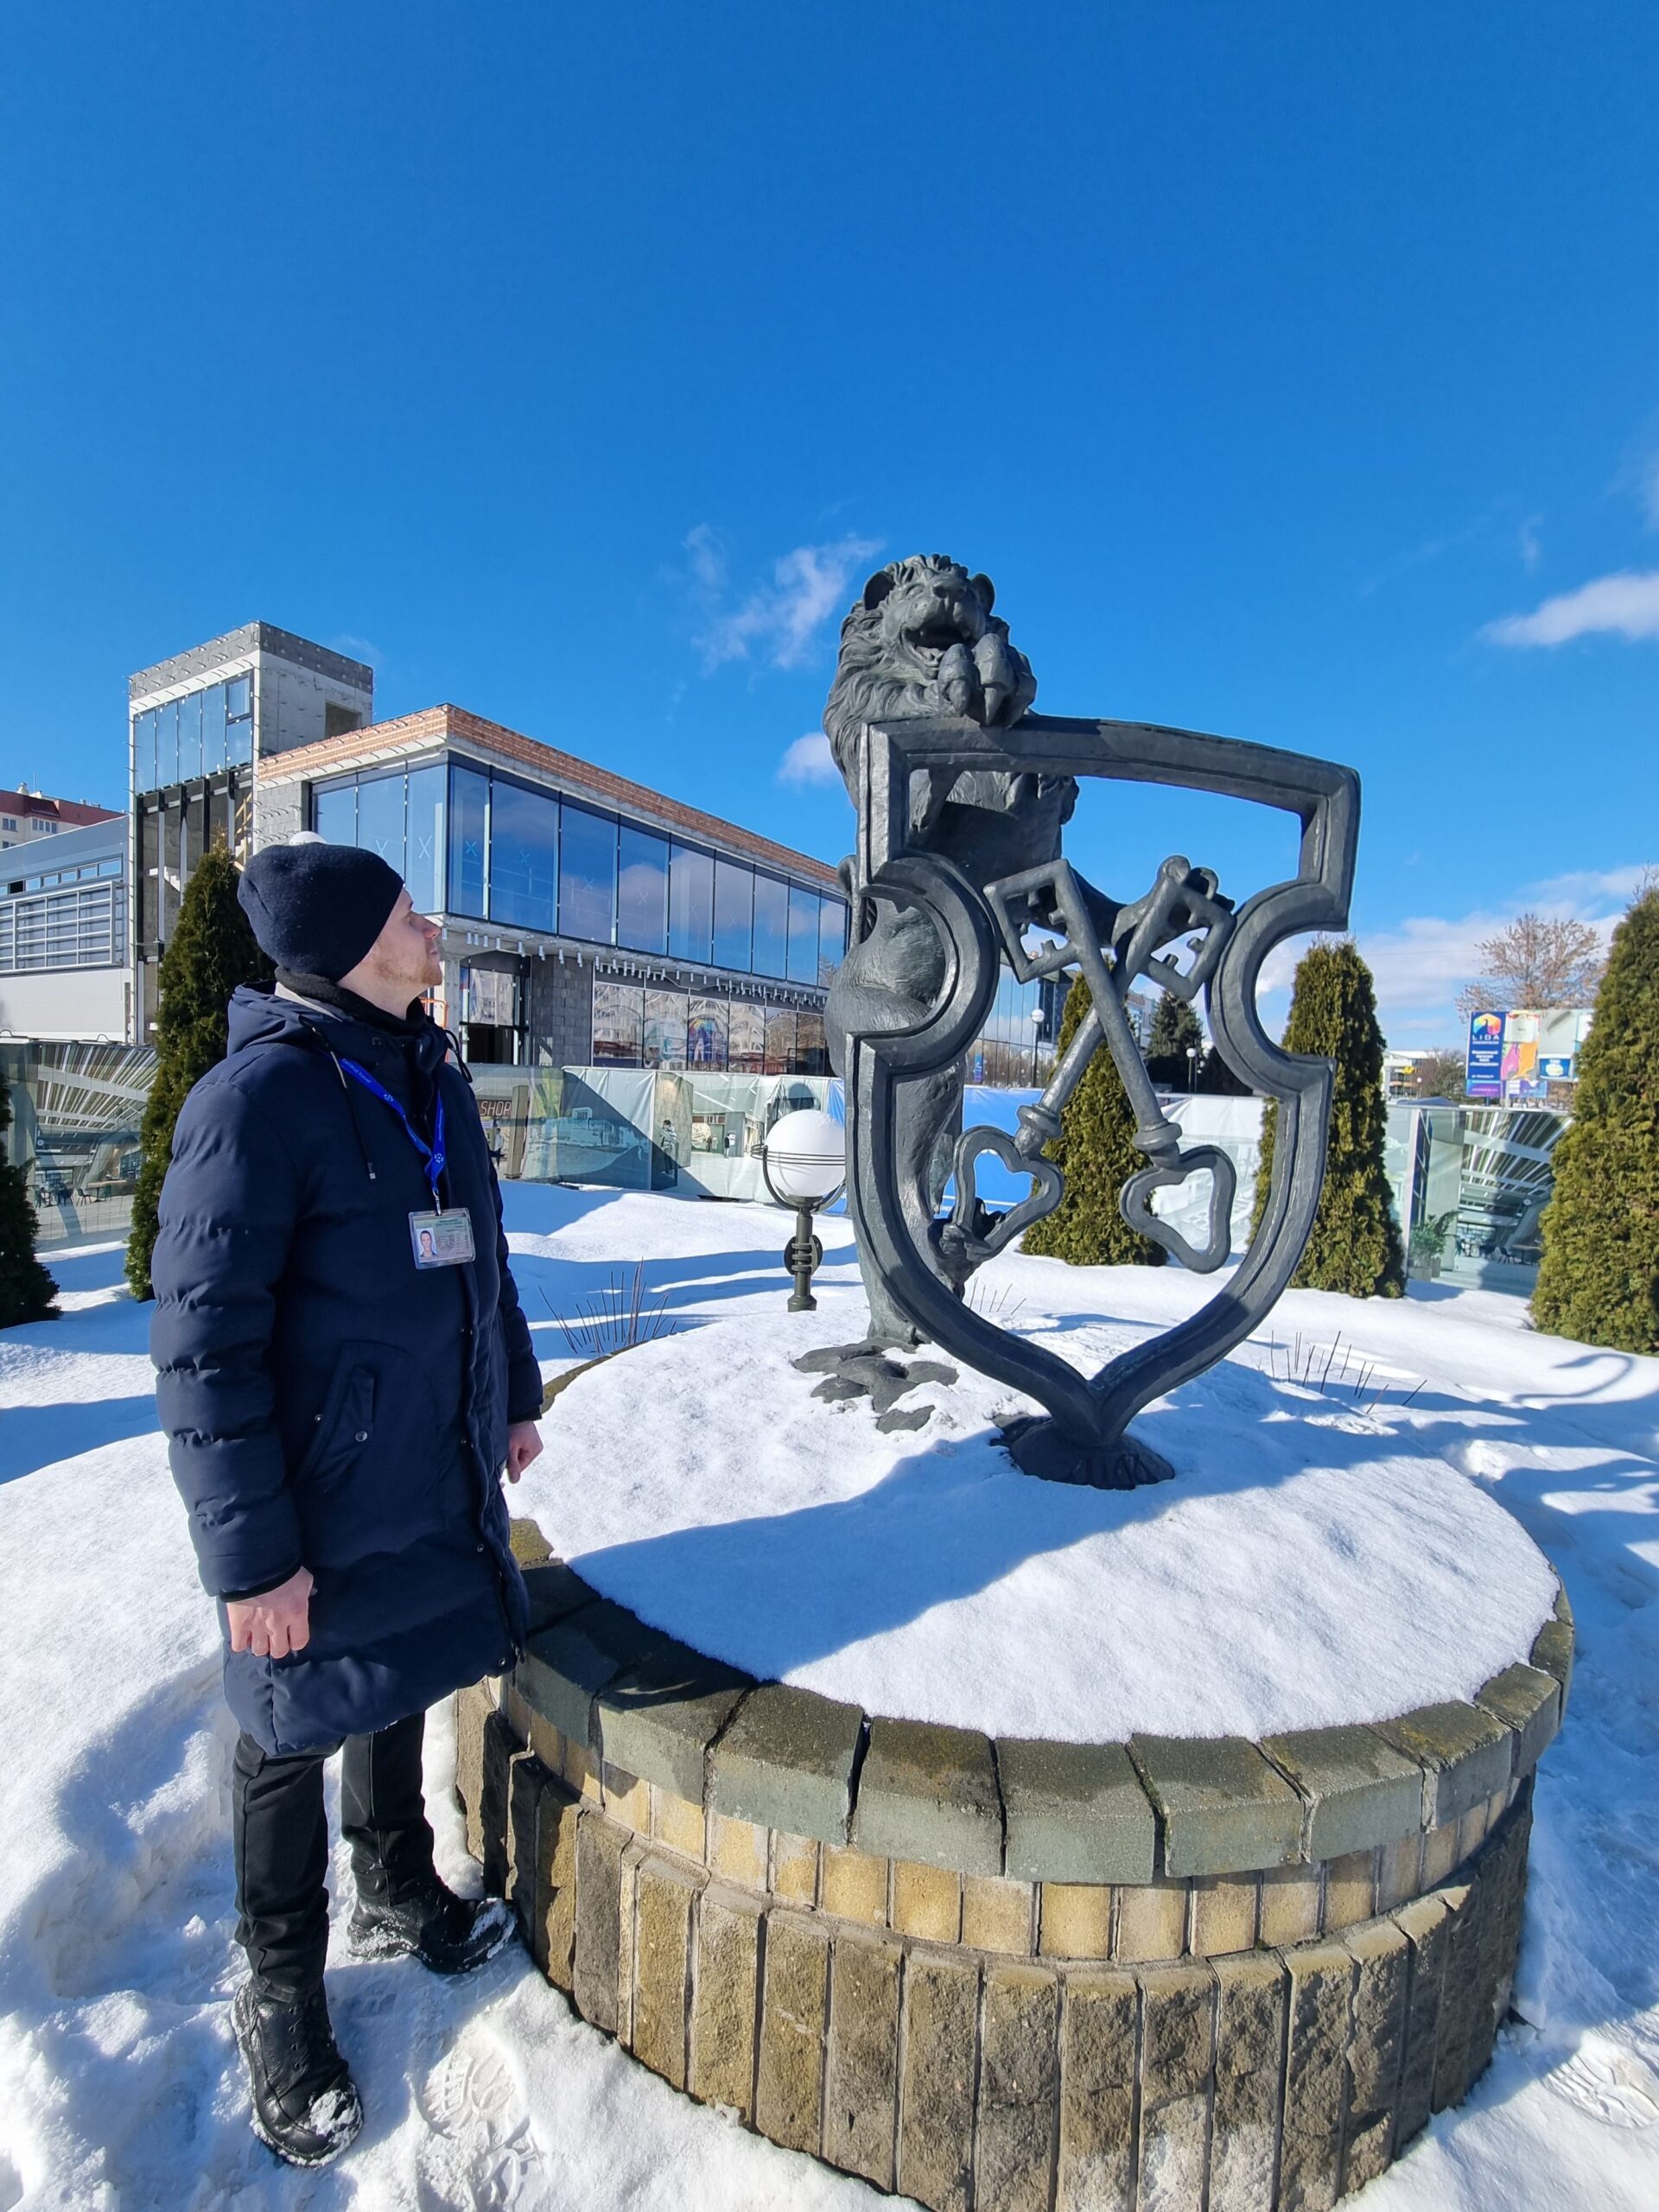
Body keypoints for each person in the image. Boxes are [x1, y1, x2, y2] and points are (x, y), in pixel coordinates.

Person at [149, 837, 546, 2169]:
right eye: (409, 916)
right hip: (311, 1506)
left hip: (425, 1469)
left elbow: (481, 1255)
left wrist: (515, 1392)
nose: (432, 930)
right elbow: (204, 1347)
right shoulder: (255, 1103)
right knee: (285, 1733)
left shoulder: (428, 1068)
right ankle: (280, 1989)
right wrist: (254, 1563)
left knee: (406, 1664)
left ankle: (393, 1876)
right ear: (353, 947)